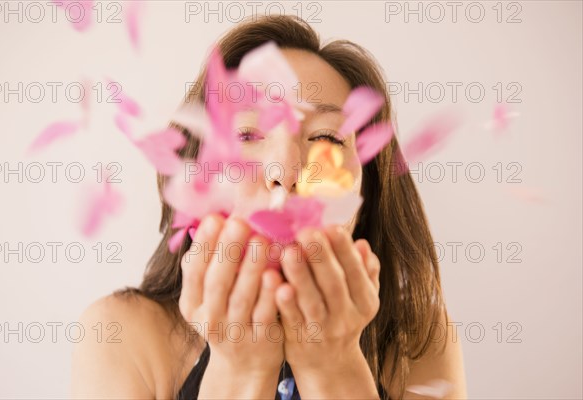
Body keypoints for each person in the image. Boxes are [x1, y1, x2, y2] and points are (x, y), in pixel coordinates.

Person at [71, 14, 467, 400]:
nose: (285, 170)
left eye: (327, 138)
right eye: (247, 132)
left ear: (369, 194)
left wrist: (332, 368)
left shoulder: (417, 339)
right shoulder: (118, 332)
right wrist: (239, 370)